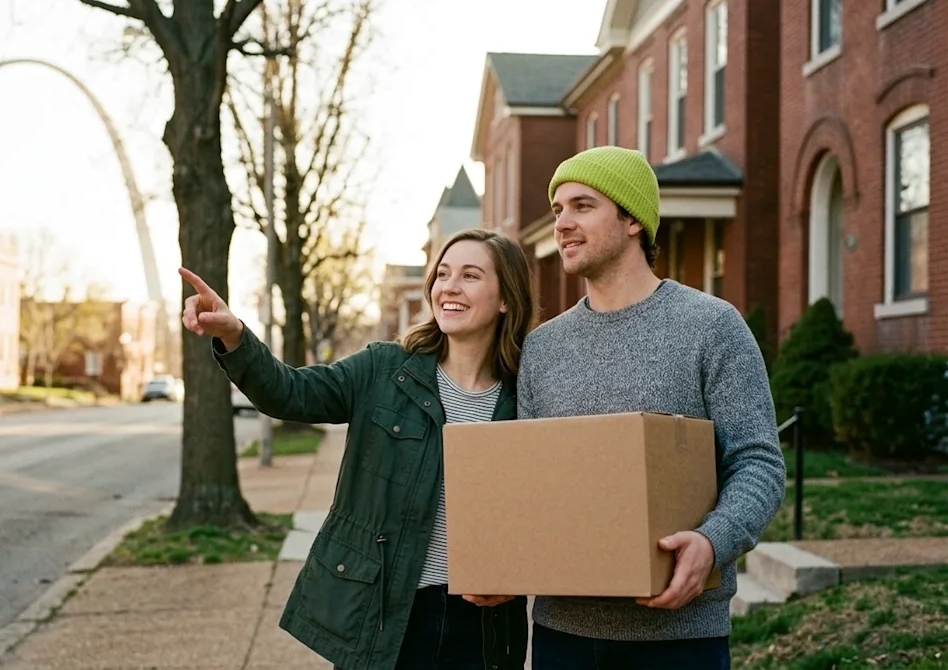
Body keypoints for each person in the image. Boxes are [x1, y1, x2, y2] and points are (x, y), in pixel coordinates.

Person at [179, 228, 536, 670]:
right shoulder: (384, 368)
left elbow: (542, 513)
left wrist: (521, 574)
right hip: (388, 615)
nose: (449, 286)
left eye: (470, 275)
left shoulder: (528, 396)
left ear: (505, 298)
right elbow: (291, 392)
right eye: (443, 273)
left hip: (483, 625)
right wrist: (236, 336)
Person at [519, 146, 786, 669]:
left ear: (633, 219)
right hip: (562, 635)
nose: (563, 224)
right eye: (558, 210)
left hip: (680, 637)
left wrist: (712, 542)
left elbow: (759, 463)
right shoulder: (543, 348)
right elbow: (533, 485)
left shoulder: (712, 326)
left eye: (582, 206)